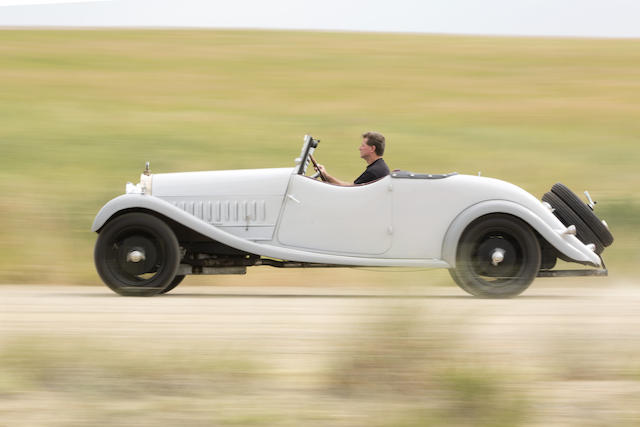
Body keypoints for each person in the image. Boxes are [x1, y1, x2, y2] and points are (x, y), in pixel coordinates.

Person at [316, 131, 390, 186]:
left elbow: (349, 189)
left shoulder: (373, 172)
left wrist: (325, 175)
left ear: (372, 148)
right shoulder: (379, 167)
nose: (359, 148)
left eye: (363, 145)